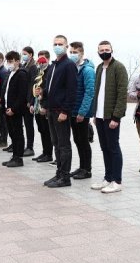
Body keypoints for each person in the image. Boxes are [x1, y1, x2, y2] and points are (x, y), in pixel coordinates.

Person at [90, 40, 129, 194]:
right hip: (99, 116)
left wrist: (116, 117)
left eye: (107, 49)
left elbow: (121, 94)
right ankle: (108, 178)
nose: (104, 51)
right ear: (98, 52)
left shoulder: (119, 67)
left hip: (111, 116)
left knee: (113, 147)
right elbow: (97, 92)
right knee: (104, 147)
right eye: (101, 49)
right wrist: (94, 114)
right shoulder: (99, 67)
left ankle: (117, 181)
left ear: (112, 50)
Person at [43, 35, 77, 188]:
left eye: (60, 44)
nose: (57, 46)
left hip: (60, 112)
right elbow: (48, 88)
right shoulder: (53, 66)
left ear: (66, 46)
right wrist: (44, 101)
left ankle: (65, 176)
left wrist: (65, 111)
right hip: (51, 110)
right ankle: (59, 172)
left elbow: (71, 90)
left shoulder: (68, 65)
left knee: (64, 145)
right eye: (55, 44)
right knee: (56, 144)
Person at [68, 42, 96, 180]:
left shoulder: (87, 70)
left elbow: (90, 92)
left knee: (83, 140)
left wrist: (82, 112)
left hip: (81, 112)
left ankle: (87, 169)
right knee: (78, 140)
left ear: (81, 53)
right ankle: (81, 166)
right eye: (71, 52)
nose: (72, 54)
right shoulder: (74, 68)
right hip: (73, 110)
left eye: (75, 52)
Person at [1, 51, 30, 167]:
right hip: (7, 107)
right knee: (12, 133)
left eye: (11, 61)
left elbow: (22, 95)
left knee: (18, 133)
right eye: (8, 61)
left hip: (16, 110)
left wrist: (14, 108)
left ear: (17, 61)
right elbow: (7, 90)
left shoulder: (21, 74)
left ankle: (19, 158)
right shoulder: (10, 73)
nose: (9, 63)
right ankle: (14, 155)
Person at [31, 52, 54, 163]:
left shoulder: (50, 70)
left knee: (47, 131)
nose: (40, 62)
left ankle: (49, 154)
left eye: (43, 59)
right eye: (39, 59)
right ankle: (45, 152)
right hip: (37, 104)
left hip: (45, 105)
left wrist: (45, 106)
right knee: (41, 130)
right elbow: (34, 88)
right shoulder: (39, 71)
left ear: (48, 59)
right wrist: (32, 103)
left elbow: (49, 90)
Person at [21, 46, 38, 157]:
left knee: (28, 124)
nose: (23, 55)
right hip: (22, 99)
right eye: (22, 54)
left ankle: (30, 146)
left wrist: (30, 100)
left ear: (31, 54)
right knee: (23, 124)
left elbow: (32, 85)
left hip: (28, 99)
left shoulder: (33, 67)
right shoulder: (24, 65)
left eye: (25, 53)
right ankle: (21, 145)